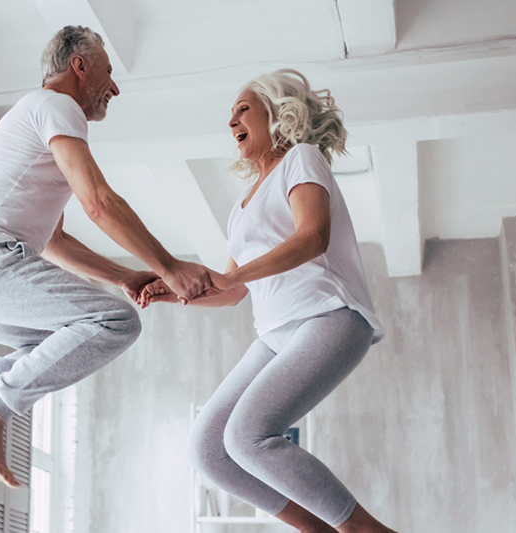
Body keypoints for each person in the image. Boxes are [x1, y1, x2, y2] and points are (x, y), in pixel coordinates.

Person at [0, 25, 213, 487]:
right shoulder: (56, 105)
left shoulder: (35, 118)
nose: (114, 88)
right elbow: (98, 202)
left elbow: (55, 241)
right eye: (109, 73)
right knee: (115, 322)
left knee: (62, 341)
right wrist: (169, 267)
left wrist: (122, 276)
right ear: (79, 66)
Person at [139, 69, 397, 533]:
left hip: (329, 317)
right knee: (209, 449)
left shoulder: (301, 158)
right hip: (276, 332)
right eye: (231, 114)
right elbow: (235, 291)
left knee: (247, 435)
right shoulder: (240, 205)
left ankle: (363, 529)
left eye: (243, 108)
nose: (232, 120)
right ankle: (315, 528)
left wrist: (231, 273)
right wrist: (174, 293)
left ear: (277, 112)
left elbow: (313, 236)